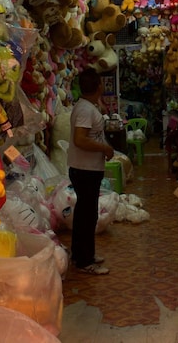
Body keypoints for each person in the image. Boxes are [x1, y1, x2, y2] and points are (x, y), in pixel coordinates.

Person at [67, 67, 115, 275]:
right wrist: (104, 148)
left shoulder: (87, 106)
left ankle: (82, 254)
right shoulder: (86, 110)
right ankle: (85, 260)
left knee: (85, 214)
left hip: (86, 169)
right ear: (98, 86)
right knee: (87, 216)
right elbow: (80, 139)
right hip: (85, 169)